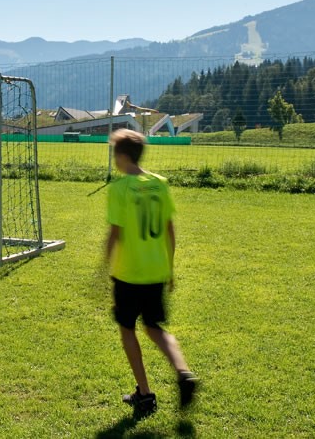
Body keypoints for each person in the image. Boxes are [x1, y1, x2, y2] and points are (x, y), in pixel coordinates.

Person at [103, 129, 199, 417]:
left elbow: (115, 233)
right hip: (156, 270)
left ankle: (144, 394)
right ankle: (183, 371)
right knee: (155, 327)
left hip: (129, 273)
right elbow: (170, 230)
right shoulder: (160, 184)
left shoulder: (119, 189)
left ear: (121, 156)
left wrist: (104, 267)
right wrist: (169, 268)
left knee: (127, 329)